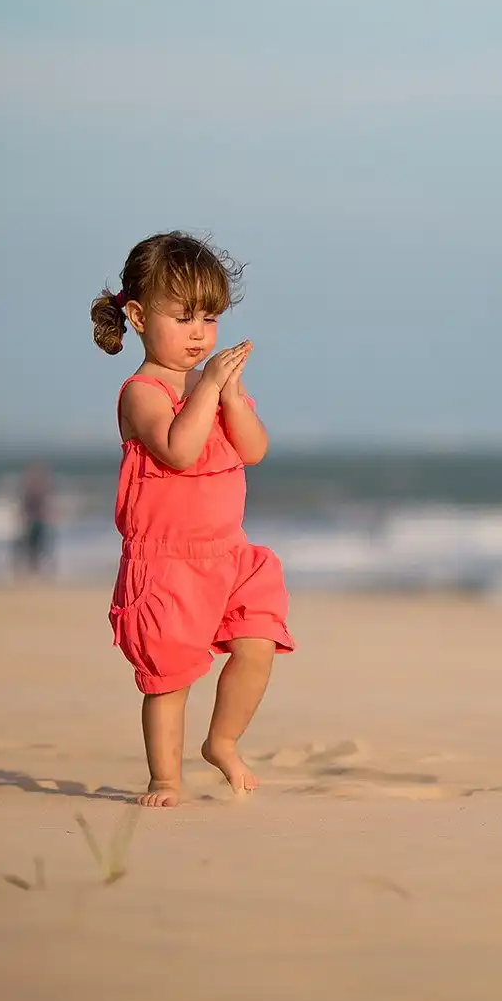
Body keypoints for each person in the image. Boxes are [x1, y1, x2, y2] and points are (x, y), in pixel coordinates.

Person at [89, 231, 293, 807]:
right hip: (167, 565)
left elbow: (253, 449)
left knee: (258, 643)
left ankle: (222, 741)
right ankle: (165, 778)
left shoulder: (216, 387)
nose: (199, 333)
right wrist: (205, 393)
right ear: (137, 315)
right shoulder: (142, 393)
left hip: (229, 554)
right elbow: (179, 449)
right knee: (170, 677)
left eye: (209, 317)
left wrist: (229, 397)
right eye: (182, 317)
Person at [15, 461, 53, 578]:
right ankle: (32, 570)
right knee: (32, 548)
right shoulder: (31, 490)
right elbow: (26, 507)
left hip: (37, 522)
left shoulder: (36, 490)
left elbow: (42, 507)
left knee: (38, 548)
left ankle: (35, 571)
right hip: (32, 522)